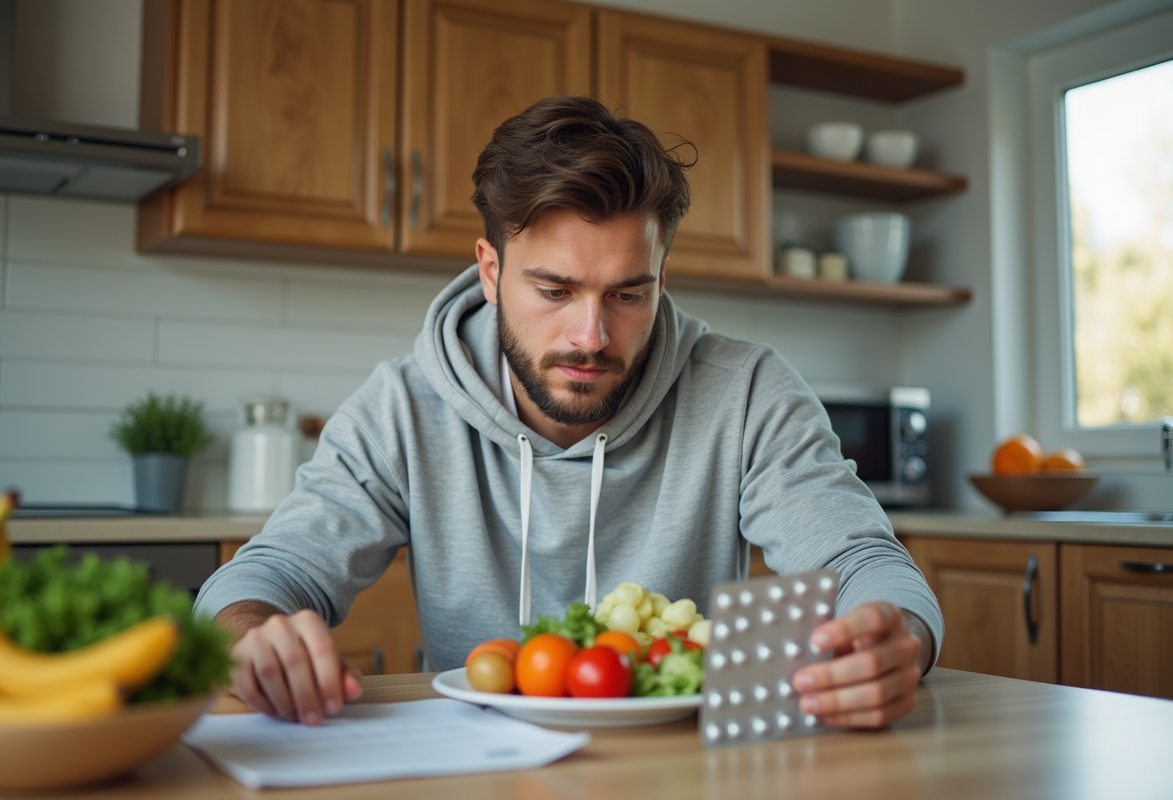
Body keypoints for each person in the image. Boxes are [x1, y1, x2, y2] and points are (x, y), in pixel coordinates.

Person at [194, 96, 942, 730]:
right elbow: (270, 574)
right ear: (491, 272)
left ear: (661, 278)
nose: (591, 336)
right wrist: (250, 637)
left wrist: (895, 637)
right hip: (476, 765)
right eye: (554, 291)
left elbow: (864, 563)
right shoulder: (402, 408)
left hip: (681, 769)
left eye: (628, 294)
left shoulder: (746, 393)